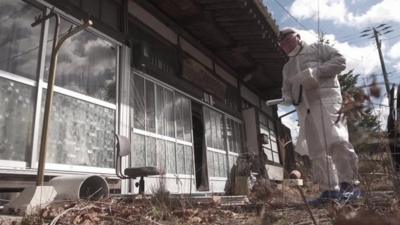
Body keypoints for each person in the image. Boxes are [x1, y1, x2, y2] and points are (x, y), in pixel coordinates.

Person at [278, 28, 360, 202]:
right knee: (316, 150)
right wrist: (286, 96)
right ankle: (329, 190)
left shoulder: (317, 49)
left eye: (289, 39)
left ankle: (350, 185)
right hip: (305, 108)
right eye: (282, 43)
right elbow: (286, 88)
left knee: (337, 140)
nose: (286, 44)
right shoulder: (287, 67)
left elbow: (341, 61)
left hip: (327, 100)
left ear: (298, 37)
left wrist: (316, 72)